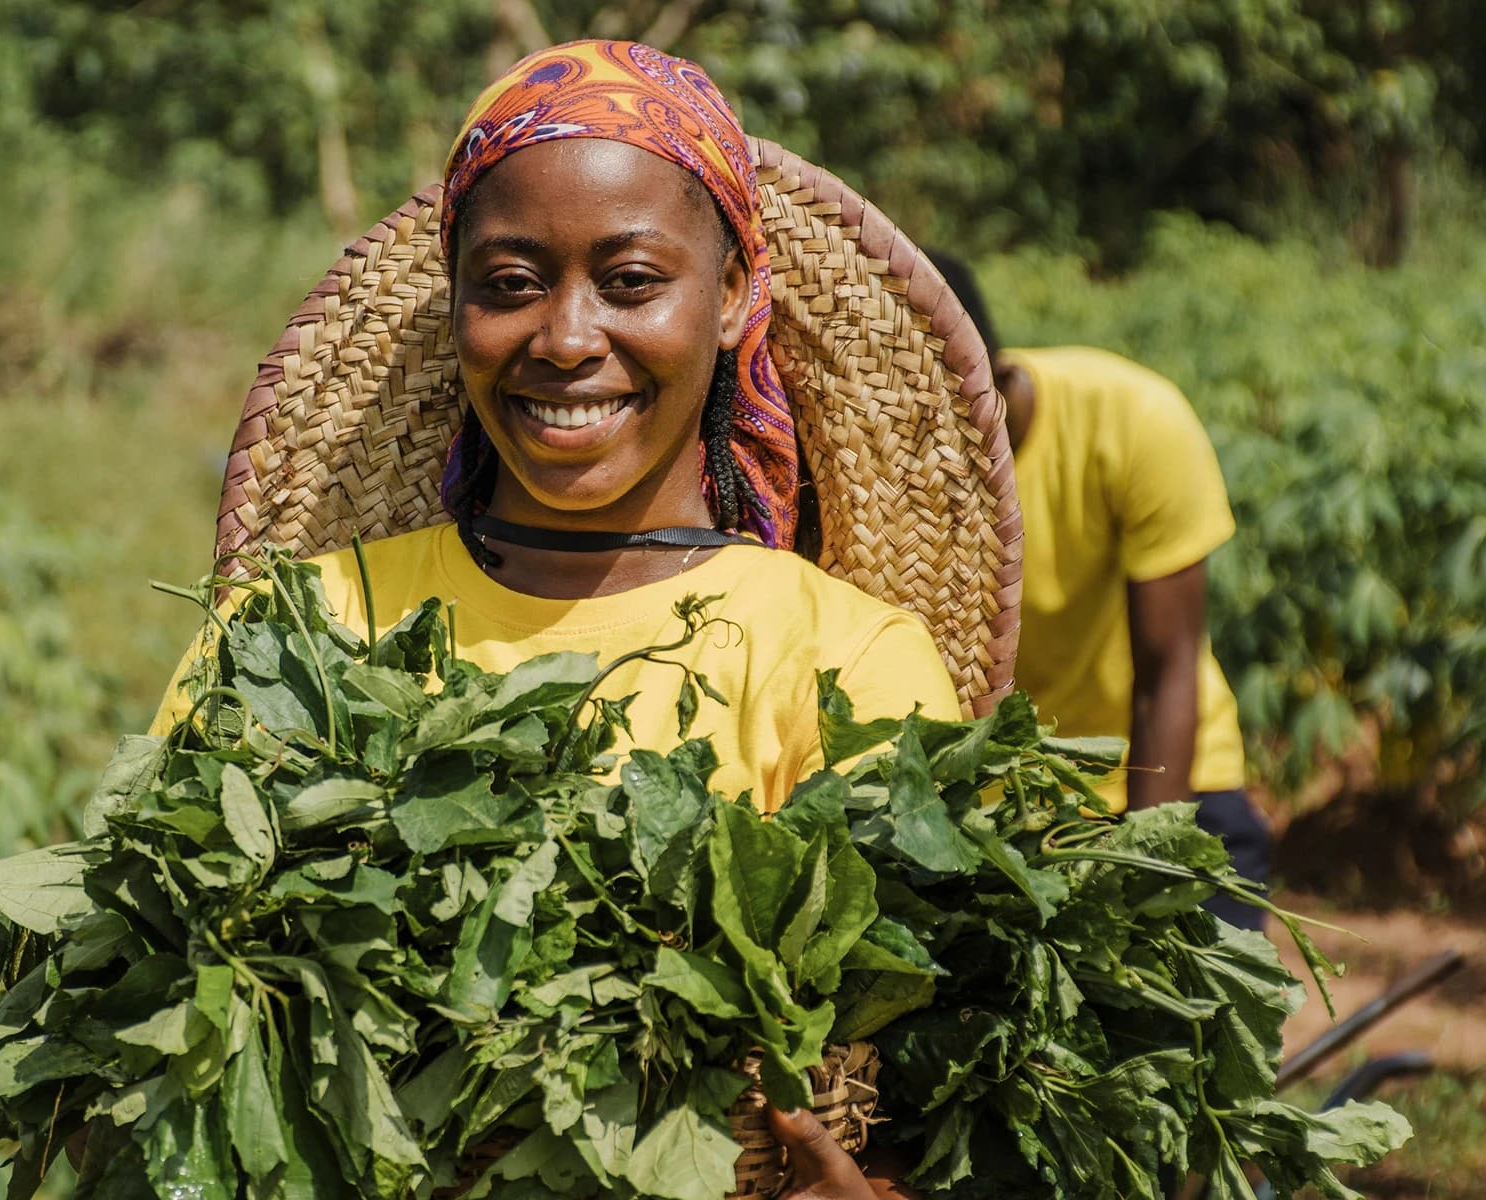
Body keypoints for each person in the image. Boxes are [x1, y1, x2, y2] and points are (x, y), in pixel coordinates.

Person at [150, 40, 958, 1198]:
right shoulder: (304, 637)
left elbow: (944, 1070)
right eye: (510, 283)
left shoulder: (845, 662)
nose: (566, 339)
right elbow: (153, 982)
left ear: (732, 297)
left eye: (630, 282)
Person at [929, 253, 1271, 930]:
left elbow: (1167, 667)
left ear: (999, 377)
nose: (940, 445)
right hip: (1020, 808)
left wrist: (1141, 878)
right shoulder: (903, 460)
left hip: (1170, 778)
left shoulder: (1133, 420)